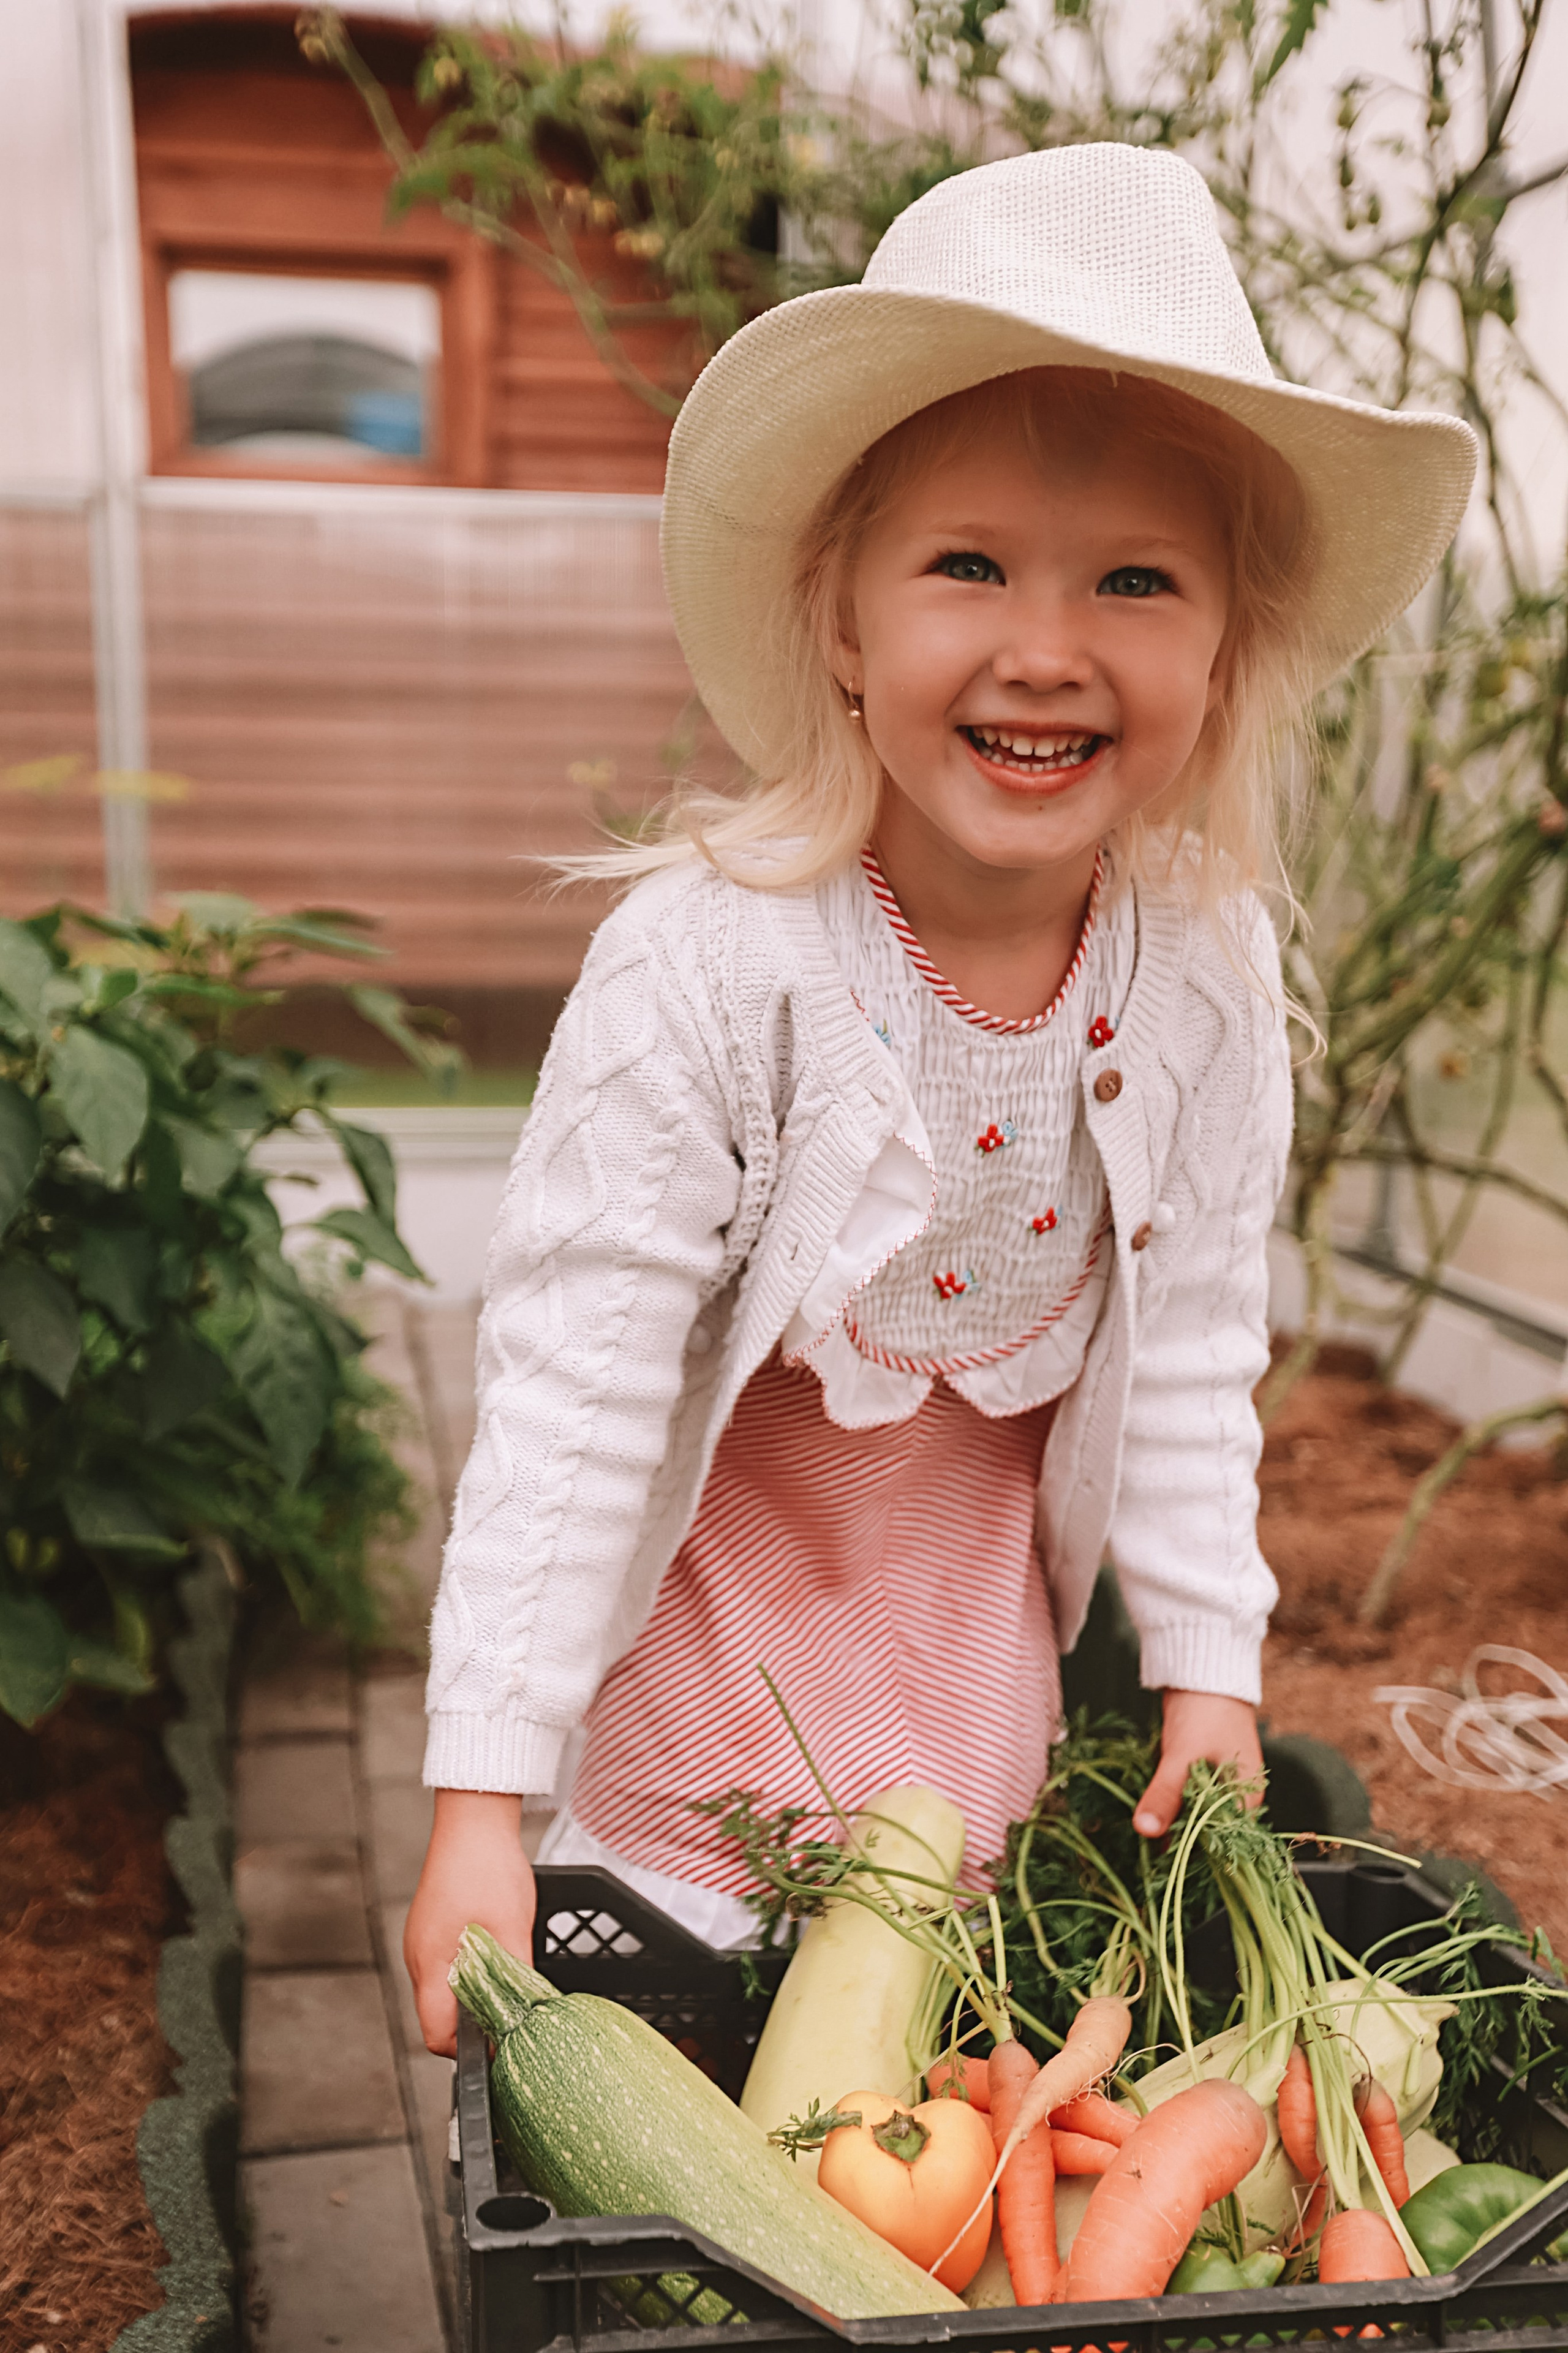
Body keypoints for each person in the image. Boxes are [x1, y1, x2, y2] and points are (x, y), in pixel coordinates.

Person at [403, 143, 1474, 2057]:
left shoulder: (1207, 993)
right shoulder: (720, 971)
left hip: (961, 1674)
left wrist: (1212, 1671)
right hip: (704, 1684)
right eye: (966, 564)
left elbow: (1204, 1341)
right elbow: (574, 1382)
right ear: (842, 620)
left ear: (1221, 660)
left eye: (1136, 582)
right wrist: (479, 1797)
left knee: (919, 2053)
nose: (1045, 646)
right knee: (686, 2046)